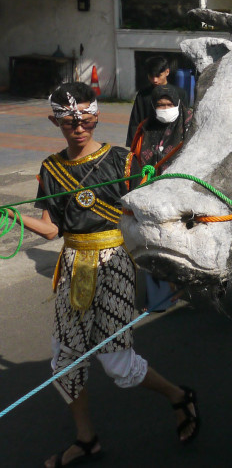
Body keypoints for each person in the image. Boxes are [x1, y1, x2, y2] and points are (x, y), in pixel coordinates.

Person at [7, 83, 199, 468]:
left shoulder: (122, 161)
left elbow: (147, 210)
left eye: (85, 118)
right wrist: (12, 215)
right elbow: (50, 229)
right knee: (65, 361)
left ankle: (180, 397)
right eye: (67, 119)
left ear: (95, 117)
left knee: (116, 362)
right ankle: (87, 439)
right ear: (54, 121)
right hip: (72, 265)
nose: (78, 126)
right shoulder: (51, 169)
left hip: (114, 264)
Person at [129, 84, 194, 311]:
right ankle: (160, 296)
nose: (164, 109)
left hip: (185, 194)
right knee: (153, 242)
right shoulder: (145, 127)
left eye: (168, 104)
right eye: (160, 105)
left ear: (177, 104)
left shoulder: (191, 125)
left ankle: (182, 285)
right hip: (152, 194)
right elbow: (135, 157)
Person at [126, 56, 188, 146]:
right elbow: (136, 120)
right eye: (151, 76)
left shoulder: (180, 93)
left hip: (174, 140)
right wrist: (133, 144)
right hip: (149, 142)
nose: (155, 80)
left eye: (158, 76)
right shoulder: (143, 95)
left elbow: (185, 120)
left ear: (167, 72)